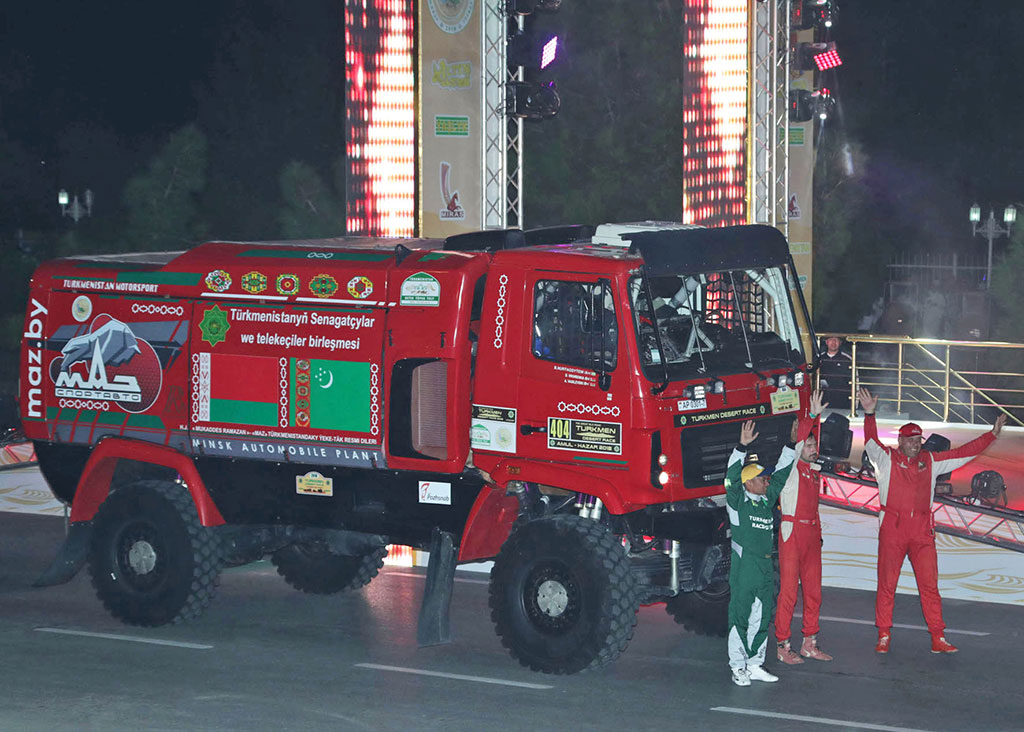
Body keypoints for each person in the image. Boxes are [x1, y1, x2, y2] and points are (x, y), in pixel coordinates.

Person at [857, 387, 1007, 653]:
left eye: (919, 439)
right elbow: (870, 440)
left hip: (922, 531)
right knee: (887, 583)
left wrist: (992, 434)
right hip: (893, 528)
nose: (916, 443)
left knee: (929, 586)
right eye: (911, 439)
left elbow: (965, 452)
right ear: (901, 441)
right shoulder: (886, 458)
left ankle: (938, 637)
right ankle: (883, 634)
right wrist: (870, 414)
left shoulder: (931, 460)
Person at [726, 420, 795, 686]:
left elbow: (781, 474)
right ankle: (738, 666)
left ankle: (754, 664)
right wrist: (741, 447)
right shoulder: (737, 502)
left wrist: (790, 445)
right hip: (745, 568)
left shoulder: (766, 500)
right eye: (761, 478)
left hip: (766, 567)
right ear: (748, 483)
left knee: (762, 617)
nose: (766, 481)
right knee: (740, 617)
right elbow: (731, 477)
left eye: (765, 478)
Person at [775, 390, 833, 665]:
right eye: (810, 445)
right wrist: (810, 415)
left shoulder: (812, 473)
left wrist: (818, 535)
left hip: (811, 536)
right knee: (789, 592)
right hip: (792, 533)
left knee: (814, 592)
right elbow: (797, 444)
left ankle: (810, 643)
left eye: (814, 445)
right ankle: (782, 645)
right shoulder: (789, 466)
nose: (814, 449)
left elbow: (815, 510)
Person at [819, 336, 853, 409]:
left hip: (842, 402)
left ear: (840, 343)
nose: (833, 342)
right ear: (826, 342)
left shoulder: (847, 359)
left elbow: (854, 381)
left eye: (836, 340)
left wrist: (855, 402)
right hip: (822, 402)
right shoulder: (819, 359)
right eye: (831, 339)